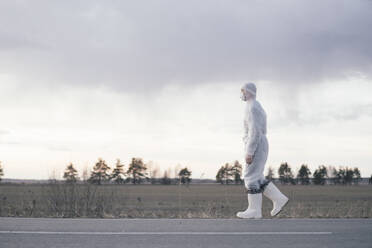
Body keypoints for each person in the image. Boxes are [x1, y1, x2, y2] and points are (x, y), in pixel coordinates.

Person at [237, 82, 289, 219]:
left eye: (243, 91)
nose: (241, 94)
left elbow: (254, 131)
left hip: (256, 144)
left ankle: (254, 210)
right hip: (260, 143)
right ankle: (279, 199)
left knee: (250, 177)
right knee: (257, 176)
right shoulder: (254, 105)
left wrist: (250, 151)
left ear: (248, 92)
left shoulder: (252, 107)